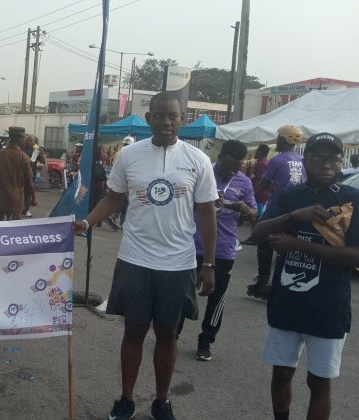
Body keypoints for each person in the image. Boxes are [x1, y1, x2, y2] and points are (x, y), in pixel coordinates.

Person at [73, 92, 217, 420]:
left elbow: (207, 213)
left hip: (178, 264)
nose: (167, 122)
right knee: (133, 333)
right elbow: (112, 199)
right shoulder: (129, 156)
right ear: (149, 118)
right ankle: (126, 400)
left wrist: (209, 264)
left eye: (173, 116)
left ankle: (161, 402)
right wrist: (87, 222)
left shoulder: (198, 160)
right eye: (160, 116)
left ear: (182, 119)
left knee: (168, 335)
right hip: (135, 260)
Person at [249, 133, 359, 420]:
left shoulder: (355, 199)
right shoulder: (290, 196)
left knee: (319, 382)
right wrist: (294, 216)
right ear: (305, 160)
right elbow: (258, 232)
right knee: (281, 373)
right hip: (286, 302)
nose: (326, 164)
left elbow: (358, 257)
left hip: (328, 307)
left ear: (341, 161)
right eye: (318, 157)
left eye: (333, 158)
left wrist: (297, 245)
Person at [193, 140, 257, 362]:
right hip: (194, 244)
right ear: (219, 158)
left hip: (224, 248)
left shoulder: (244, 182)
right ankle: (173, 333)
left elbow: (254, 214)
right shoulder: (203, 173)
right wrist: (205, 201)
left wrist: (245, 209)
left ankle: (206, 340)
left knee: (217, 296)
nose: (232, 173)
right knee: (184, 292)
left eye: (236, 169)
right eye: (228, 167)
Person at [248, 125, 306, 300]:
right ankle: (281, 282)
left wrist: (271, 186)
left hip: (279, 206)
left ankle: (263, 280)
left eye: (278, 138)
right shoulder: (302, 160)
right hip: (298, 207)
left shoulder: (277, 160)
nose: (277, 141)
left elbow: (263, 185)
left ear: (283, 139)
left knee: (263, 239)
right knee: (286, 248)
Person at [0, 126, 37, 221]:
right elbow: (29, 182)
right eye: (23, 138)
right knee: (14, 227)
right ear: (19, 139)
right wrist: (34, 198)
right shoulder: (24, 157)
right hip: (16, 200)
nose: (24, 140)